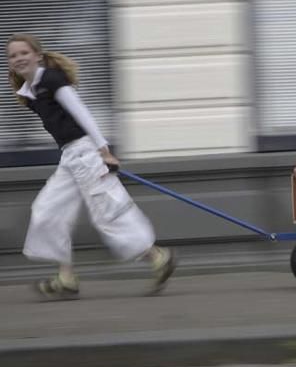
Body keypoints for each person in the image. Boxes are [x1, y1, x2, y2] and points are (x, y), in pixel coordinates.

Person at [7, 33, 176, 299]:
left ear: (37, 55)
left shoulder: (51, 79)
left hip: (87, 153)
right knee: (48, 209)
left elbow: (80, 112)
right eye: (13, 55)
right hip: (70, 157)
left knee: (107, 211)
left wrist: (104, 150)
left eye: (23, 53)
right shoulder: (29, 94)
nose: (18, 59)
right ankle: (66, 278)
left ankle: (158, 257)